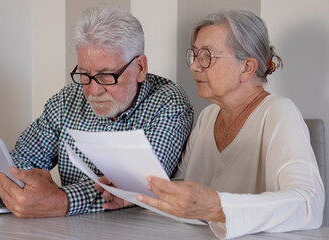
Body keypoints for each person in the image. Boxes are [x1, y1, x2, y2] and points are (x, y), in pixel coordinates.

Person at [98, 8, 325, 239]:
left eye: (207, 56)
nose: (195, 66)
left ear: (247, 67)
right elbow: (185, 190)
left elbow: (309, 203)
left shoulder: (278, 111)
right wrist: (138, 195)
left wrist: (217, 207)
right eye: (195, 55)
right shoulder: (208, 116)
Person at [0, 5, 193, 218]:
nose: (93, 91)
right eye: (84, 74)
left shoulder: (169, 103)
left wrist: (62, 200)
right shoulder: (68, 99)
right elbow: (16, 160)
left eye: (106, 75)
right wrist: (24, 182)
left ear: (140, 68)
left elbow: (143, 185)